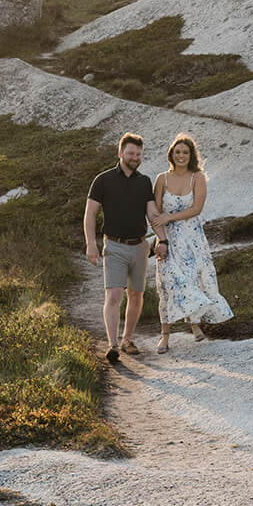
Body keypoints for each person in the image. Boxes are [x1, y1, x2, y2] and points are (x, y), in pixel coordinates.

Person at [84, 132, 169, 365]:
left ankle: (127, 339)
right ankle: (112, 345)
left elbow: (152, 214)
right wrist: (91, 243)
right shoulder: (103, 180)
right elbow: (90, 213)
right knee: (114, 295)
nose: (135, 157)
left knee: (136, 295)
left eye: (139, 154)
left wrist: (162, 240)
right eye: (131, 153)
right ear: (120, 153)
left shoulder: (144, 182)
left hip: (140, 246)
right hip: (114, 246)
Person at [153, 133, 232, 353]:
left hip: (193, 240)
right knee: (168, 285)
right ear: (171, 154)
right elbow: (155, 213)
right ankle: (164, 336)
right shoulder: (162, 179)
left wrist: (168, 217)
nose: (181, 156)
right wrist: (161, 238)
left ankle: (194, 325)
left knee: (192, 280)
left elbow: (196, 209)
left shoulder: (197, 177)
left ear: (191, 155)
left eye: (185, 152)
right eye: (177, 151)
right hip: (169, 240)